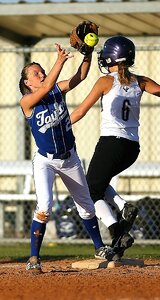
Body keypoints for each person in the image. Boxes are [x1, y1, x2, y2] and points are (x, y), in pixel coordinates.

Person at [70, 36, 160, 257]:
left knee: (89, 191)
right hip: (132, 148)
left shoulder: (105, 81)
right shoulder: (140, 81)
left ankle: (117, 229)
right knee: (97, 181)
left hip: (110, 144)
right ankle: (122, 209)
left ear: (113, 57)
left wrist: (58, 125)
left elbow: (80, 111)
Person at [19, 43, 117, 273]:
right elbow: (45, 88)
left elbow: (81, 76)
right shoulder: (27, 102)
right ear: (27, 83)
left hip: (70, 158)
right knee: (44, 207)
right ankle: (34, 258)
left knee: (86, 205)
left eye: (42, 70)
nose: (41, 74)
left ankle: (99, 247)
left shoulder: (56, 90)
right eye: (36, 73)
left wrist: (88, 53)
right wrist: (59, 61)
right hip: (45, 161)